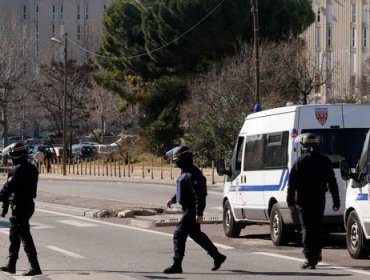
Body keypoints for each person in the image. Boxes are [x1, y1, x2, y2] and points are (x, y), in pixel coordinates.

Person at [163, 145, 226, 274]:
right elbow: (183, 188)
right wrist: (173, 199)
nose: (175, 161)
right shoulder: (185, 171)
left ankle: (177, 264)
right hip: (187, 208)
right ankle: (217, 256)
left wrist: (199, 213)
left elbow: (200, 195)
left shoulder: (194, 173)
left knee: (179, 234)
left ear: (184, 158)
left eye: (177, 159)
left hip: (191, 210)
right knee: (196, 235)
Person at [287, 133, 340, 269]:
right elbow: (332, 182)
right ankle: (316, 254)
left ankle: (310, 258)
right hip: (319, 200)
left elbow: (292, 184)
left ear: (304, 146)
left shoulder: (300, 161)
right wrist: (336, 201)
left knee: (307, 229)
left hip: (304, 202)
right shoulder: (325, 161)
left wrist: (290, 202)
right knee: (316, 228)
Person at [0, 143, 42, 276]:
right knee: (14, 235)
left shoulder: (17, 170)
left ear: (15, 156)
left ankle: (35, 266)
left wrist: (2, 201)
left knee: (24, 237)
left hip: (20, 206)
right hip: (28, 205)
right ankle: (11, 264)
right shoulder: (32, 169)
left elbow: (8, 188)